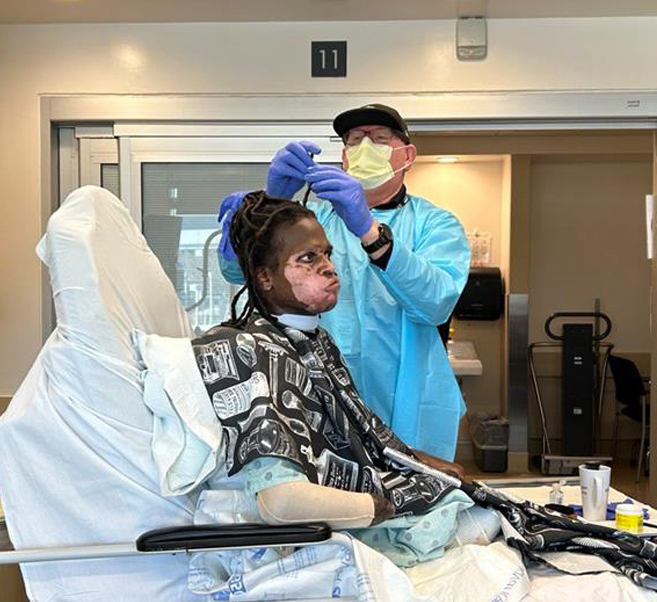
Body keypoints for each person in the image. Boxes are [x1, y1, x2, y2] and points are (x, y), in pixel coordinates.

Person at [195, 191, 483, 567]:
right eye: (308, 259)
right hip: (355, 519)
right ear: (264, 276)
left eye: (327, 255)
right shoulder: (246, 349)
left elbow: (361, 434)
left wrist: (421, 465)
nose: (330, 268)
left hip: (376, 485)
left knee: (487, 503)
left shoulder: (315, 339)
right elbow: (280, 500)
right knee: (489, 520)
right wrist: (380, 505)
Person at [217, 104, 470, 460]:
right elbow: (237, 273)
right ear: (344, 158)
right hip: (319, 394)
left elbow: (436, 303)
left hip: (409, 403)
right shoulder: (311, 221)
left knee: (417, 496)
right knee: (338, 500)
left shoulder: (436, 224)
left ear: (407, 155)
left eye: (380, 139)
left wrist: (369, 231)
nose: (365, 147)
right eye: (354, 140)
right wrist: (270, 207)